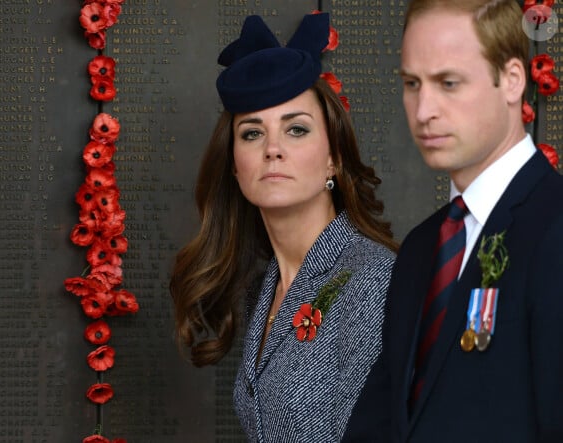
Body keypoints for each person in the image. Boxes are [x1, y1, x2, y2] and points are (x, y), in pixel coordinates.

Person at [169, 12, 398, 442]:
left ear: (334, 158)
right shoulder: (268, 283)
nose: (273, 149)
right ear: (235, 167)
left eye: (296, 129)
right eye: (252, 134)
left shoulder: (371, 280)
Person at [343, 0, 563, 441]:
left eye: (448, 83)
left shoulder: (555, 229)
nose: (424, 111)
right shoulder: (423, 248)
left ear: (513, 80)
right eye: (411, 83)